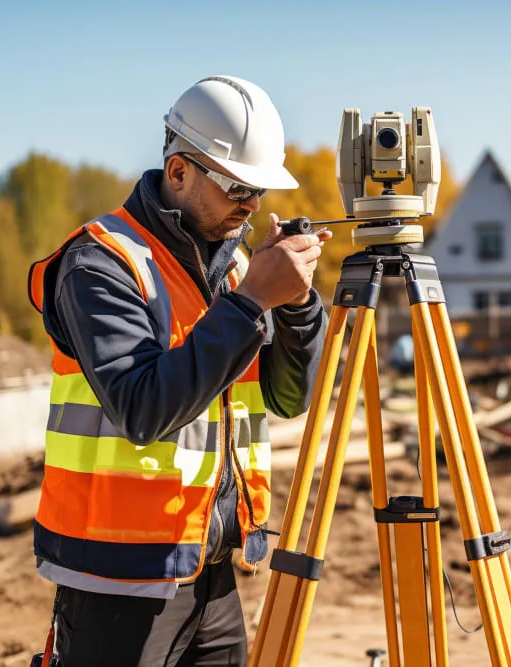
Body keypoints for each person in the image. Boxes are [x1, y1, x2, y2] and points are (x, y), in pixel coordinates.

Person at [26, 75, 332, 666]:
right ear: (179, 172)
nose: (251, 206)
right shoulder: (101, 263)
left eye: (259, 191)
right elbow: (142, 409)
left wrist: (295, 307)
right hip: (115, 579)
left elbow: (289, 399)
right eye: (238, 187)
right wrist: (249, 305)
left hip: (210, 572)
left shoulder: (238, 268)